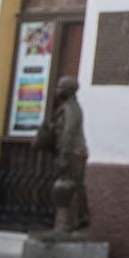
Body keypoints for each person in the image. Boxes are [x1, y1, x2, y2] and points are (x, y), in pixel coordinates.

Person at [35, 75, 90, 233]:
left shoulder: (71, 109)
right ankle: (77, 220)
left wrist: (64, 155)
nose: (57, 90)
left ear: (70, 91)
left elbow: (69, 133)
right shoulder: (66, 108)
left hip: (73, 153)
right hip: (72, 152)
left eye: (61, 88)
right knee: (74, 187)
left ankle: (72, 223)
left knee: (71, 188)